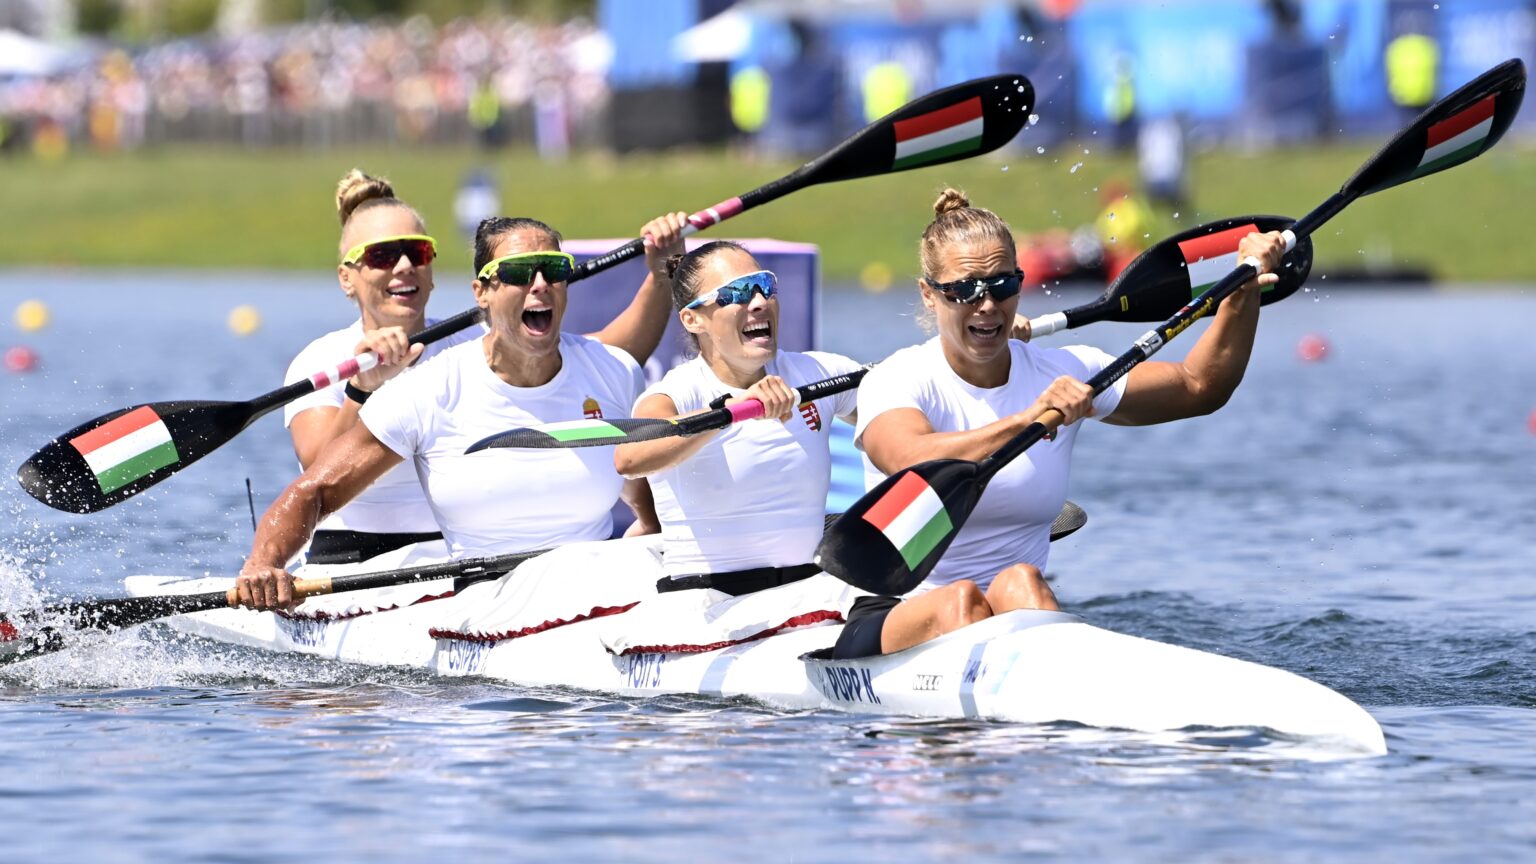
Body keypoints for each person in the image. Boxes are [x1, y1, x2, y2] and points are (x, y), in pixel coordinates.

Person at [833, 189, 1286, 659]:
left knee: (1022, 581)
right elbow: (908, 458)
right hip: (894, 609)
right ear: (929, 294)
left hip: (1010, 612)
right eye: (965, 289)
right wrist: (1031, 417)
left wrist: (1242, 289)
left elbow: (1199, 387)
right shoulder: (897, 379)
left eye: (1002, 285)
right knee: (962, 602)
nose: (987, 304)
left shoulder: (1063, 374)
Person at [237, 213, 685, 609]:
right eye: (518, 273)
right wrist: (264, 564)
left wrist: (652, 530)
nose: (540, 284)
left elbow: (637, 483)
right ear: (482, 293)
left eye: (553, 269)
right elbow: (314, 489)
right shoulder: (428, 388)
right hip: (484, 603)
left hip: (596, 587)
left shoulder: (612, 371)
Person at [601, 241, 863, 652]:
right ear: (693, 319)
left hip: (806, 597)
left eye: (763, 286)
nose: (758, 302)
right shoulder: (679, 393)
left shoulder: (816, 373)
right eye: (737, 294)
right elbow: (629, 457)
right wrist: (729, 413)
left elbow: (901, 405)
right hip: (707, 608)